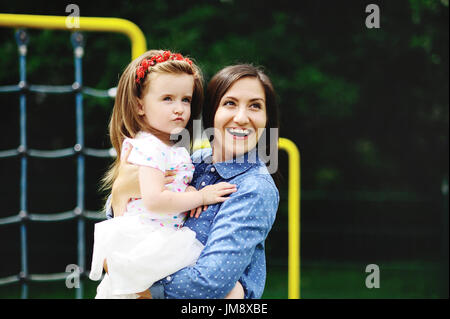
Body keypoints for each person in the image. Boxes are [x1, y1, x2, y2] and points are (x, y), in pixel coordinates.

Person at [110, 64, 280, 299]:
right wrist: (119, 192)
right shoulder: (193, 162)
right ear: (211, 112)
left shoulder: (254, 187)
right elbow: (132, 214)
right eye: (230, 103)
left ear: (266, 118)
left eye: (255, 106)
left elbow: (210, 283)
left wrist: (137, 285)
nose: (241, 118)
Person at [89, 50, 238, 299]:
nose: (179, 109)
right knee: (226, 289)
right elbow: (155, 199)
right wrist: (200, 197)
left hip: (156, 237)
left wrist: (187, 189)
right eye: (167, 99)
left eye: (186, 100)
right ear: (139, 106)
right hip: (148, 241)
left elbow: (169, 188)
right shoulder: (149, 148)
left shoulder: (168, 146)